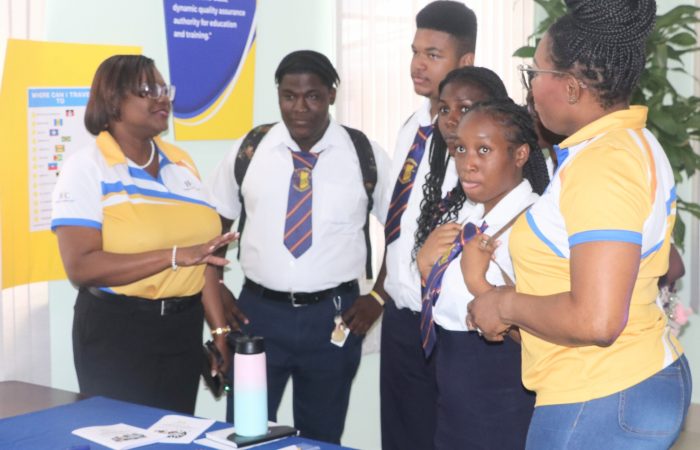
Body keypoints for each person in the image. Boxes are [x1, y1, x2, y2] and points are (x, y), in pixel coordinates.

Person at [467, 0, 692, 448]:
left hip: (600, 393)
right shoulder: (629, 143)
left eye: (535, 75)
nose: (529, 90)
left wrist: (504, 305)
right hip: (625, 379)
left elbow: (596, 319)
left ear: (570, 87)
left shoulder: (604, 165)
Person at [207, 50, 389, 444]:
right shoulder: (251, 150)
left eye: (312, 97)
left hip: (335, 318)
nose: (300, 108)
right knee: (245, 431)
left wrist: (379, 295)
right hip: (257, 314)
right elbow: (211, 226)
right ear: (278, 96)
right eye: (289, 96)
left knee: (321, 437)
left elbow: (406, 230)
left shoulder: (364, 154)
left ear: (331, 95)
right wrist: (218, 289)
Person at [51, 54, 235, 414]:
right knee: (122, 435)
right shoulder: (86, 168)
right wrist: (172, 256)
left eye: (164, 89)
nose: (162, 98)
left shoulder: (183, 164)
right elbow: (81, 267)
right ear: (113, 100)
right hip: (117, 330)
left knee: (173, 435)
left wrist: (219, 332)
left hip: (182, 328)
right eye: (148, 90)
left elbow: (205, 259)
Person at [417, 98, 549, 449]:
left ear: (520, 155)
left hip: (502, 401)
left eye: (484, 150)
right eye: (461, 149)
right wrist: (427, 268)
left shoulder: (534, 225)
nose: (468, 163)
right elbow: (449, 309)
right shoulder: (472, 219)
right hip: (455, 401)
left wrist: (480, 285)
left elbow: (547, 330)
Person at [379, 3, 477, 449]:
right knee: (400, 438)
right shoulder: (410, 127)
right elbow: (396, 223)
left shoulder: (479, 138)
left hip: (448, 323)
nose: (418, 64)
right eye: (415, 51)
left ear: (465, 62)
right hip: (401, 318)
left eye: (433, 55)